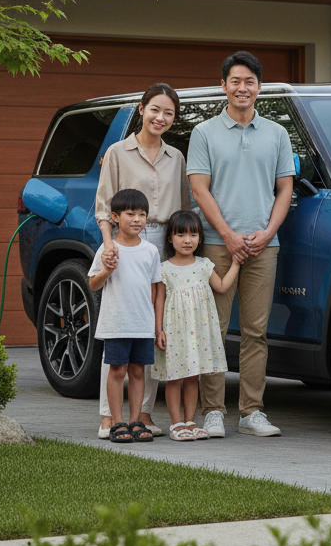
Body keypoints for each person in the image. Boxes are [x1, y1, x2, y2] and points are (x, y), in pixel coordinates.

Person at [187, 51, 294, 438]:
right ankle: (213, 411)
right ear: (224, 86)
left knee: (256, 331)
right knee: (213, 328)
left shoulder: (277, 134)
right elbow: (199, 189)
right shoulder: (204, 133)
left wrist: (266, 233)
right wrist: (230, 236)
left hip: (265, 246)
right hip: (218, 245)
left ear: (259, 88)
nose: (242, 88)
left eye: (249, 81)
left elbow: (285, 189)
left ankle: (251, 412)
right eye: (235, 81)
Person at [94, 82, 191, 440]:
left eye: (169, 113)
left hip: (161, 246)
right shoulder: (118, 152)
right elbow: (104, 206)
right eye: (155, 110)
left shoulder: (176, 157)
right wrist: (109, 248)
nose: (161, 117)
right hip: (124, 242)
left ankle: (144, 413)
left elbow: (183, 209)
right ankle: (108, 416)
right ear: (141, 109)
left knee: (152, 328)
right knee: (120, 327)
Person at [154, 210, 240, 442]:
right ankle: (176, 424)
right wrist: (158, 329)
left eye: (193, 234)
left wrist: (236, 264)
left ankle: (190, 421)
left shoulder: (204, 265)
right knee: (174, 378)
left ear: (200, 238)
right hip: (174, 331)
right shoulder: (164, 268)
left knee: (193, 377)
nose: (187, 240)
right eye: (181, 234)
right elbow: (159, 299)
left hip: (197, 333)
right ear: (170, 238)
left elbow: (221, 287)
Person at [88, 188, 163, 444]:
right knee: (117, 370)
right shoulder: (107, 250)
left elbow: (154, 289)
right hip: (116, 323)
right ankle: (116, 421)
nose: (137, 219)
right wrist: (107, 271)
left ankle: (136, 421)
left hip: (142, 324)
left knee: (139, 371)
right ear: (115, 217)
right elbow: (93, 285)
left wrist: (155, 325)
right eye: (130, 213)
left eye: (142, 214)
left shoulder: (151, 251)